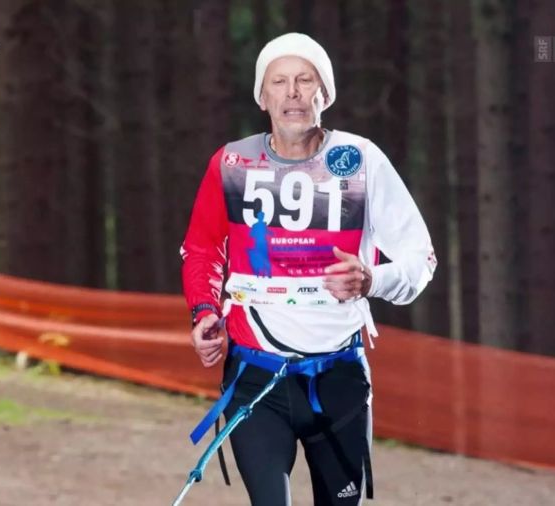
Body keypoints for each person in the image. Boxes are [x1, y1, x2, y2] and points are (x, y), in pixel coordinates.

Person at [180, 32, 436, 505]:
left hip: (337, 378)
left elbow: (421, 258)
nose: (293, 92)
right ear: (263, 96)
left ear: (325, 93)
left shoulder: (361, 161)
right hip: (256, 378)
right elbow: (202, 248)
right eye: (279, 81)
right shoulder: (232, 162)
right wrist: (203, 311)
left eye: (305, 80)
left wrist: (371, 279)